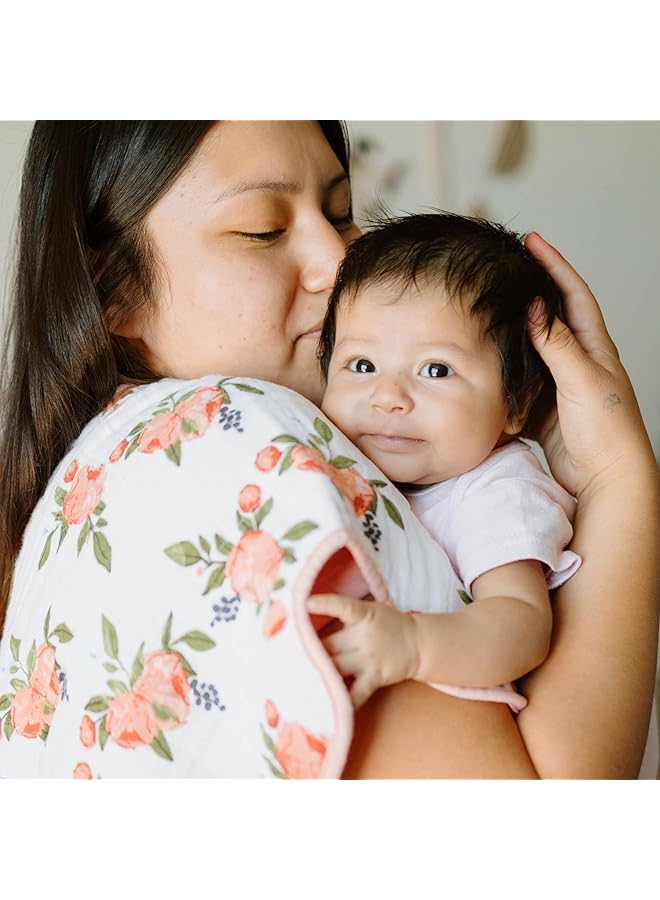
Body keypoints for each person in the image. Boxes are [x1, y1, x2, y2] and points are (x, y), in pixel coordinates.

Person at [0, 121, 657, 778]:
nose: (341, 262)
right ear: (117, 289)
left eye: (342, 214)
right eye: (263, 228)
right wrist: (620, 479)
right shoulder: (231, 432)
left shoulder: (102, 470)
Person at [310, 212, 582, 710]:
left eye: (435, 370)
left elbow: (520, 621)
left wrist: (415, 645)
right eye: (362, 365)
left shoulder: (497, 490)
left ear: (518, 404)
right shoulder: (342, 459)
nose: (389, 396)